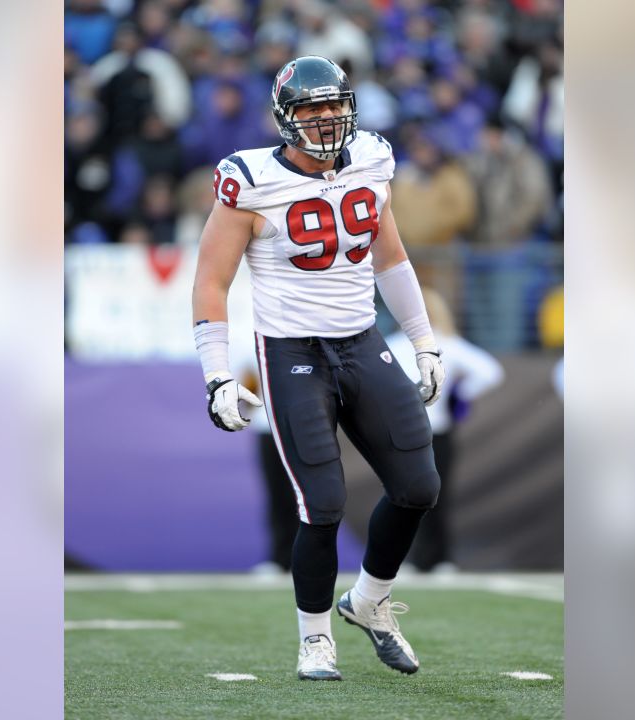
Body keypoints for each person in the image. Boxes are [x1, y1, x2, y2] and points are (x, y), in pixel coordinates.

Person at [191, 56, 445, 681]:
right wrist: (218, 375)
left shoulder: (372, 158)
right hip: (291, 351)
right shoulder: (249, 180)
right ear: (285, 118)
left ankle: (369, 602)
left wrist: (425, 341)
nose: (327, 120)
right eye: (312, 109)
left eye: (334, 107)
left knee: (418, 486)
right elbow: (211, 279)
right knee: (323, 503)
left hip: (360, 340)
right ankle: (314, 639)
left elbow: (391, 259)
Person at [386, 288, 504, 573]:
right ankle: (433, 559)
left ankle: (422, 559)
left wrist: (459, 394)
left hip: (410, 434)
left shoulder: (397, 344)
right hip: (426, 433)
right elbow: (490, 371)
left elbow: (490, 372)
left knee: (408, 499)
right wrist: (460, 394)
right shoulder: (441, 342)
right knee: (425, 498)